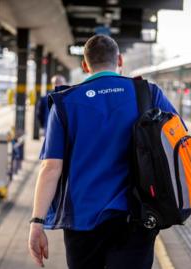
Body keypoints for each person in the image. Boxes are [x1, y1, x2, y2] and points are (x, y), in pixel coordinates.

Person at [28, 34, 179, 269]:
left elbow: (51, 168)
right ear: (119, 60)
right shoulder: (148, 93)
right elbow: (179, 145)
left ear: (85, 65)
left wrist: (37, 223)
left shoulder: (65, 103)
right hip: (137, 217)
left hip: (82, 221)